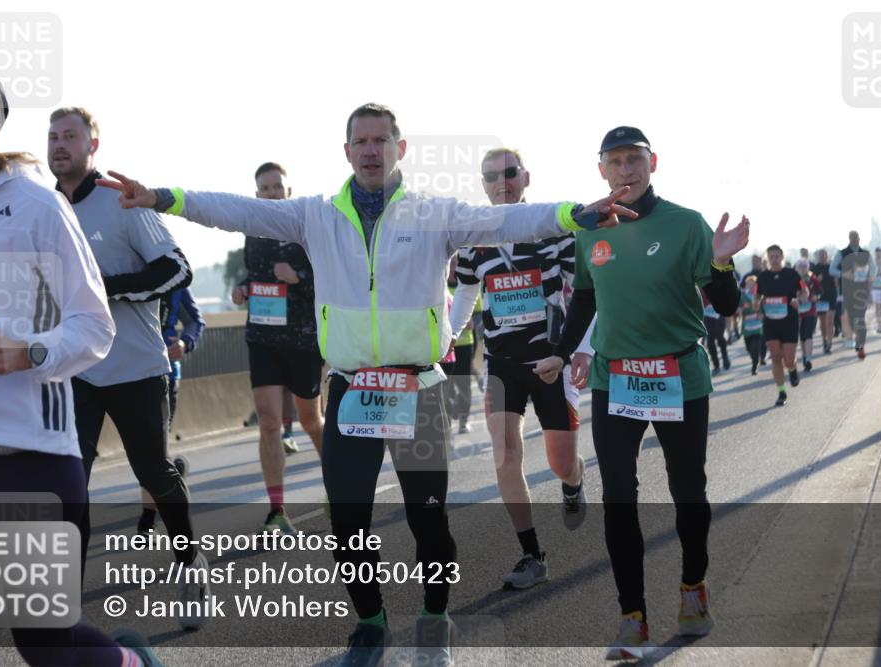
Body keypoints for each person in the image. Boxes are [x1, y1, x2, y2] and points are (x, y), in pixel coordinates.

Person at [97, 103, 636, 666]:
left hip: (418, 389)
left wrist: (577, 215)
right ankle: (371, 624)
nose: (372, 150)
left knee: (428, 519)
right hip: (354, 390)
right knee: (347, 518)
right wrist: (164, 197)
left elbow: (508, 221)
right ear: (348, 152)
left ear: (400, 149)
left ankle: (434, 620)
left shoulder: (434, 214)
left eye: (383, 140)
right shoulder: (315, 215)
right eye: (362, 141)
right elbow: (239, 212)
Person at [0, 57, 161, 667]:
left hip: (26, 454)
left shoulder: (34, 207)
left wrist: (29, 349)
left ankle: (130, 664)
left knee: (44, 646)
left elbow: (94, 324)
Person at [546, 126, 749, 660]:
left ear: (652, 162)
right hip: (617, 379)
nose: (625, 170)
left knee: (688, 490)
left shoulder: (686, 224)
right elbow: (585, 301)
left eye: (634, 159)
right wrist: (564, 351)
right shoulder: (590, 229)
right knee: (619, 494)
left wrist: (724, 262)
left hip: (679, 377)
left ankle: (693, 587)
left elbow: (726, 305)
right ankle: (631, 616)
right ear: (601, 171)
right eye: (615, 162)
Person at [47, 106, 207, 630]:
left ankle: (189, 562)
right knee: (70, 479)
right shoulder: (41, 208)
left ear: (93, 143)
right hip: (73, 371)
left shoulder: (122, 199)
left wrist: (103, 290)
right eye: (53, 137)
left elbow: (176, 268)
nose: (59, 145)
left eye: (70, 136)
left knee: (155, 472)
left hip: (136, 366)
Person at [447, 148, 591, 590]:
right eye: (491, 177)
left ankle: (573, 482)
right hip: (502, 364)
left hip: (551, 360)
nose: (501, 183)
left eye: (509, 174)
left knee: (560, 462)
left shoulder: (551, 228)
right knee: (506, 456)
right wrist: (446, 341)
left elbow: (586, 290)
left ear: (525, 177)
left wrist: (581, 349)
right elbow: (468, 294)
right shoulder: (474, 239)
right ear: (483, 185)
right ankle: (531, 554)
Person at [228, 162, 325, 534]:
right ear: (257, 195)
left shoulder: (305, 229)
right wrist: (242, 287)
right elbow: (257, 274)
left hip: (302, 339)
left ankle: (341, 489)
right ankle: (277, 510)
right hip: (263, 338)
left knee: (310, 421)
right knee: (268, 422)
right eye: (264, 189)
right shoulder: (253, 232)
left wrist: (299, 277)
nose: (271, 193)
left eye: (276, 187)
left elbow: (330, 280)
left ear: (288, 190)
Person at [138, 286, 205, 535]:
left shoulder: (173, 278)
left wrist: (185, 343)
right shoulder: (117, 272)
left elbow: (195, 321)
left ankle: (147, 520)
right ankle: (172, 473)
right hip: (125, 375)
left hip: (165, 375)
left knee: (151, 447)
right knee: (145, 447)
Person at [757, 245, 808, 406]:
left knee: (788, 359)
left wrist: (797, 300)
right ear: (768, 258)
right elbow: (756, 297)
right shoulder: (763, 277)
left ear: (782, 257)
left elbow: (804, 292)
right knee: (775, 357)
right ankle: (781, 392)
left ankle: (792, 370)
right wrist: (759, 306)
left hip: (789, 320)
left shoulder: (791, 274)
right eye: (771, 256)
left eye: (777, 256)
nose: (774, 259)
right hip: (771, 322)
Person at [440, 255, 480, 434]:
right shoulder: (439, 287)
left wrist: (472, 322)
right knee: (446, 386)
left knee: (463, 383)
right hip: (442, 347)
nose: (454, 267)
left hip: (465, 343)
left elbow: (479, 312)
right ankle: (448, 419)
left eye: (456, 263)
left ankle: (464, 420)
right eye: (451, 263)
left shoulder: (467, 284)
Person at [831, 231, 871, 358]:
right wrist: (844, 274)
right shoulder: (841, 253)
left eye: (856, 237)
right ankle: (858, 341)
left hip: (862, 292)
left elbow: (873, 268)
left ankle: (860, 347)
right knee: (853, 320)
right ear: (849, 239)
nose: (854, 239)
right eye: (852, 237)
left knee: (860, 318)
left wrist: (871, 276)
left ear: (859, 238)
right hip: (847, 291)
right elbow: (831, 270)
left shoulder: (866, 254)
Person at [794, 259, 822, 372]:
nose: (802, 268)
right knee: (802, 336)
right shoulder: (793, 279)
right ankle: (805, 356)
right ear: (797, 268)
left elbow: (820, 291)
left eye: (804, 266)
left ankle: (808, 359)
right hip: (797, 313)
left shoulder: (812, 278)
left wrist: (816, 296)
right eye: (800, 266)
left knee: (808, 334)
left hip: (811, 311)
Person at [811, 249, 838, 354]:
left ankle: (829, 344)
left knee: (830, 321)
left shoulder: (831, 267)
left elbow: (836, 283)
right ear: (818, 256)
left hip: (831, 296)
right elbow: (811, 283)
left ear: (827, 256)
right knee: (823, 323)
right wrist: (817, 279)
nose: (822, 257)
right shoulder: (814, 268)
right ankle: (824, 340)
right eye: (820, 255)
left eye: (824, 255)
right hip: (820, 298)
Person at [701, 290, 731, 375]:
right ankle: (716, 365)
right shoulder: (698, 283)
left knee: (719, 335)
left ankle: (725, 356)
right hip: (706, 314)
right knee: (710, 340)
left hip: (719, 311)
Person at [740, 276, 764, 374]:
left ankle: (755, 364)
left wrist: (761, 315)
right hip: (747, 328)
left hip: (758, 327)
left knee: (756, 346)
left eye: (753, 285)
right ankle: (755, 358)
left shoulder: (759, 296)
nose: (751, 286)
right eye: (749, 284)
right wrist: (739, 311)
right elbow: (737, 309)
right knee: (749, 348)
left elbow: (763, 309)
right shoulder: (742, 296)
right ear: (746, 285)